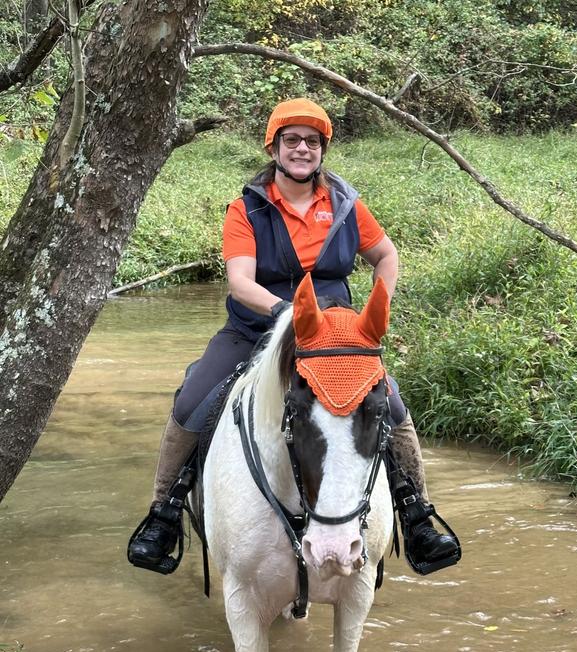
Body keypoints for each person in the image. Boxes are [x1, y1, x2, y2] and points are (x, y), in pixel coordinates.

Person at [128, 98, 459, 574]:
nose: (302, 149)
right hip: (257, 329)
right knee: (193, 400)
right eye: (292, 140)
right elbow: (240, 282)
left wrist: (373, 312)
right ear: (275, 147)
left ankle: (417, 514)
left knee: (391, 405)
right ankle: (164, 513)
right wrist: (289, 316)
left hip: (333, 337)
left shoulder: (345, 205)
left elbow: (386, 257)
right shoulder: (247, 209)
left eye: (311, 141)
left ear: (322, 149)